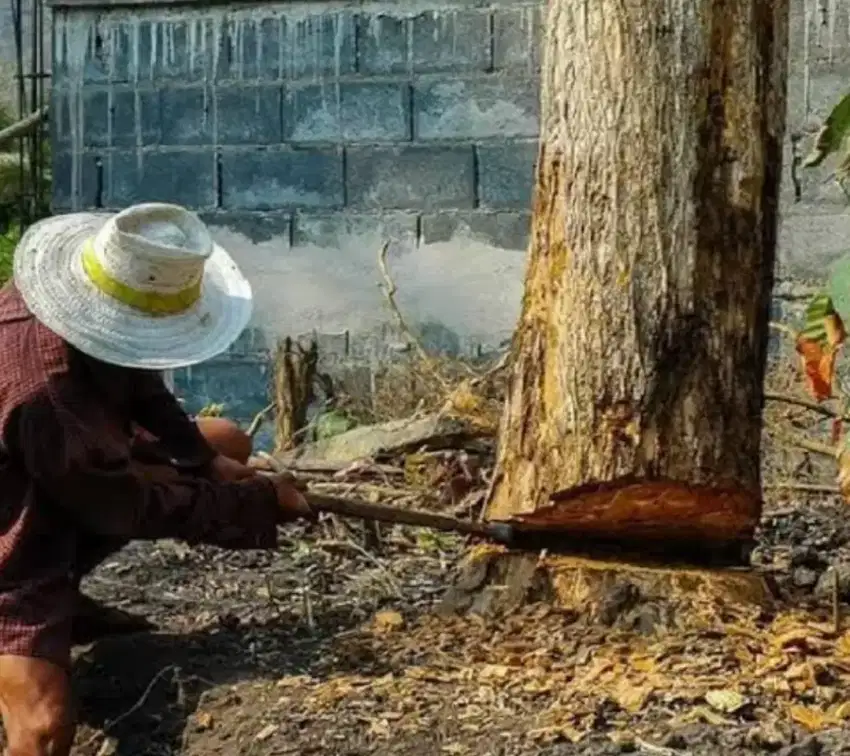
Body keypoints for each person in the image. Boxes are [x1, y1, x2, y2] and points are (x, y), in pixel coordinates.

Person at [0, 202, 313, 755]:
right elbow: (126, 505)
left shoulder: (65, 300)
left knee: (225, 440)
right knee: (44, 730)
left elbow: (136, 381)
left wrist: (204, 462)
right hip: (14, 539)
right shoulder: (48, 396)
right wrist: (257, 503)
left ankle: (65, 599)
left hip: (45, 470)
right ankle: (36, 619)